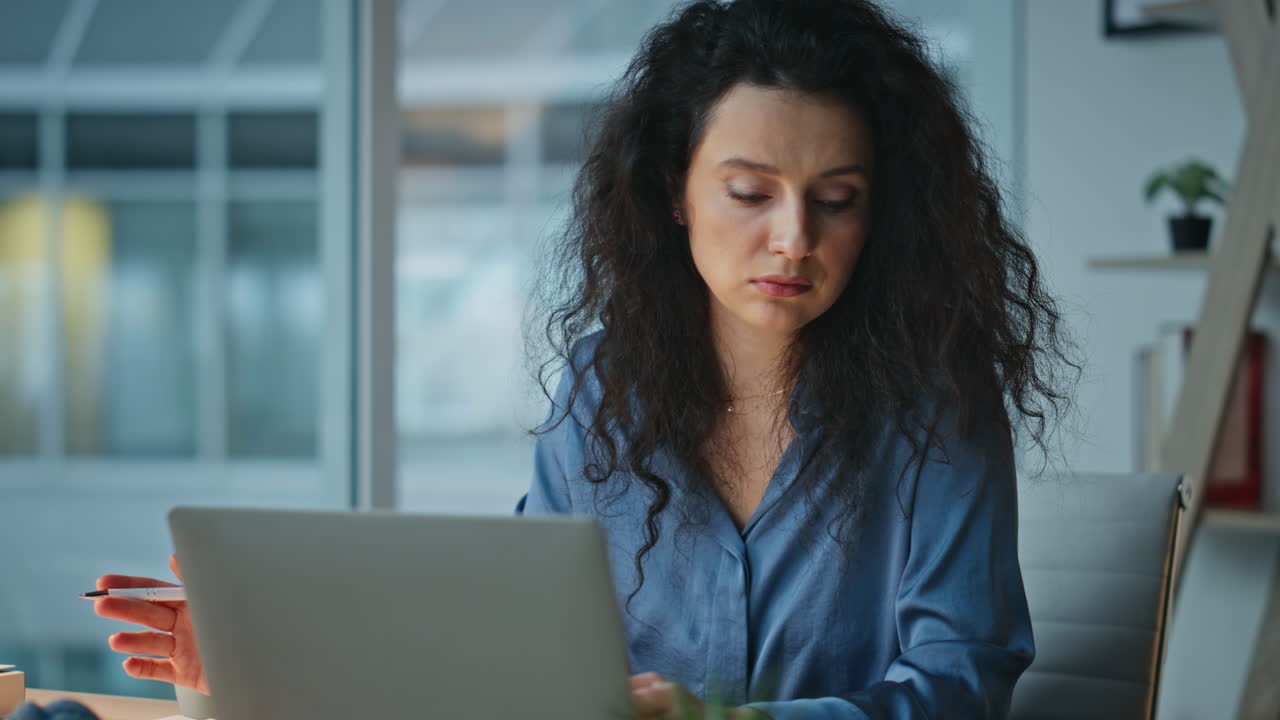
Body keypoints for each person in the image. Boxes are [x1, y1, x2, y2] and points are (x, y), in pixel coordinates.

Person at [93, 1, 1076, 718]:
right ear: (674, 191)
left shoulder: (935, 407)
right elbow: (518, 650)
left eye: (836, 199)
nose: (793, 238)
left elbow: (960, 686)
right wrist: (274, 662)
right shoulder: (604, 387)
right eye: (749, 192)